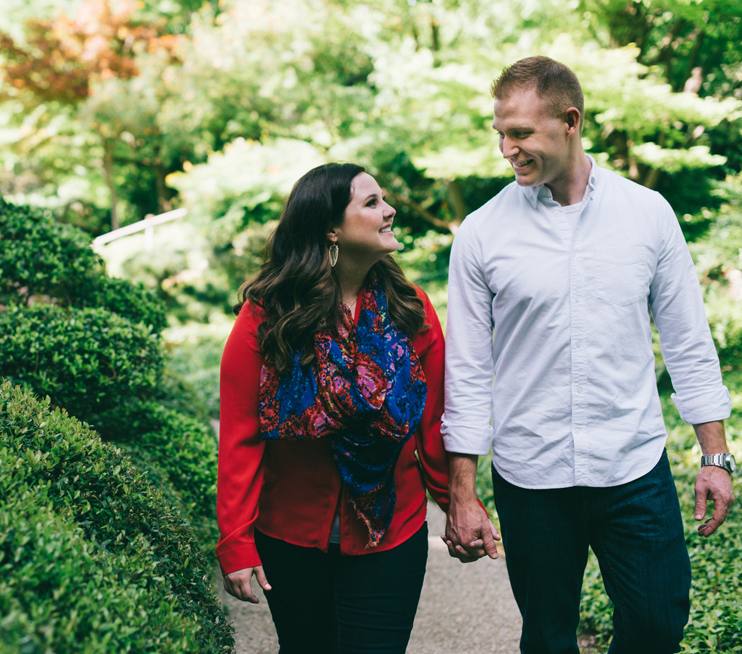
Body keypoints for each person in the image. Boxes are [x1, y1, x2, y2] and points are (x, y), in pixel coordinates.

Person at [442, 56, 736, 654]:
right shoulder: (480, 232)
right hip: (531, 475)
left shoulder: (647, 214)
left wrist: (716, 456)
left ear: (570, 121)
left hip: (632, 466)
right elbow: (467, 371)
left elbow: (687, 341)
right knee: (548, 639)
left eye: (520, 133)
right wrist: (462, 493)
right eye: (500, 132)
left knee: (657, 625)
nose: (506, 148)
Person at [216, 162, 451, 653]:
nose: (389, 211)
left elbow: (433, 423)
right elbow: (241, 434)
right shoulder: (268, 315)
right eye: (371, 204)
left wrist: (458, 505)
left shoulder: (412, 309)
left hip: (392, 533)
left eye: (382, 200)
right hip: (293, 537)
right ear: (330, 230)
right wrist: (235, 540)